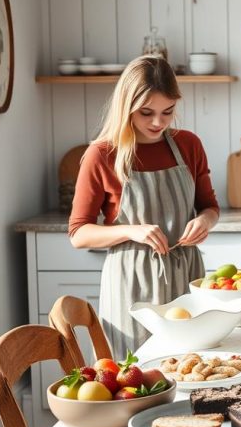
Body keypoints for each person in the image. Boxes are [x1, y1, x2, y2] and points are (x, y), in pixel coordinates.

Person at [69, 55, 220, 354]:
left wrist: (205, 221)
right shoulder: (102, 155)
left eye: (168, 112)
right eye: (146, 112)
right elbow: (78, 233)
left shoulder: (189, 145)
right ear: (127, 108)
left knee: (196, 368)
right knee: (138, 378)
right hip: (131, 285)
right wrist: (132, 231)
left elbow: (210, 206)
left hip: (187, 277)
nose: (157, 122)